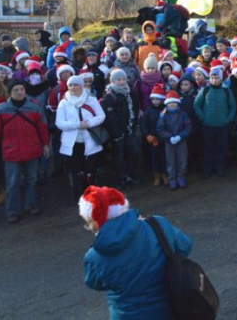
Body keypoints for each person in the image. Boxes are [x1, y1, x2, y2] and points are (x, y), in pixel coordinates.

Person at [80, 185, 194, 320]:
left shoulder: (94, 256)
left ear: (95, 223)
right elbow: (185, 246)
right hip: (169, 310)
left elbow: (94, 283)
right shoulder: (157, 225)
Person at [0, 79, 50, 224]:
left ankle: (30, 205)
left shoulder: (34, 107)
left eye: (22, 89)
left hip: (31, 149)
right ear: (10, 92)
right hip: (11, 151)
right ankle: (12, 211)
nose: (19, 92)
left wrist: (45, 144)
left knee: (31, 179)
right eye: (16, 90)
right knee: (12, 182)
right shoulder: (1, 109)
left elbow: (42, 128)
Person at [56, 75, 106, 200]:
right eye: (70, 85)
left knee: (90, 169)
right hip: (73, 143)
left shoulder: (91, 100)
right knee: (76, 170)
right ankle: (79, 195)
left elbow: (101, 116)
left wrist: (88, 123)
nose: (73, 87)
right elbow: (59, 123)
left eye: (76, 84)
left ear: (81, 85)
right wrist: (77, 125)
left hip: (90, 141)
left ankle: (91, 193)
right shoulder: (64, 102)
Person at [194, 67, 236, 178]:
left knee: (221, 148)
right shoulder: (205, 90)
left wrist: (229, 119)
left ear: (221, 78)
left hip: (222, 126)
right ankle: (207, 169)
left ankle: (219, 168)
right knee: (208, 148)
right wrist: (203, 118)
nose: (213, 80)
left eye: (216, 78)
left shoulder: (226, 91)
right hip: (208, 126)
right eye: (212, 78)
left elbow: (232, 107)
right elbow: (196, 105)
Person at [100, 69, 139, 187]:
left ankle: (128, 175)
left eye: (123, 79)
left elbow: (135, 108)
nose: (122, 82)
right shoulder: (109, 96)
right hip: (117, 133)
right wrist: (116, 133)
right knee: (119, 156)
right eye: (118, 80)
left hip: (129, 129)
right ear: (113, 81)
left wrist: (134, 123)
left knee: (134, 151)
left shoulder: (129, 92)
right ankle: (119, 178)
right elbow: (109, 118)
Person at [157, 90, 191, 189]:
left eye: (174, 102)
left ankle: (180, 176)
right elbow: (160, 129)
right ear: (167, 103)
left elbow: (188, 127)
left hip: (181, 140)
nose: (172, 104)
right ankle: (172, 178)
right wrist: (169, 137)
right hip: (169, 141)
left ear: (177, 103)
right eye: (170, 102)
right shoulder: (163, 115)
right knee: (170, 160)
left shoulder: (183, 114)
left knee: (182, 159)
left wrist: (180, 136)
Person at [140, 84, 168, 188]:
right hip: (153, 139)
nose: (155, 101)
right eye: (153, 99)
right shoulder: (148, 111)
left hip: (164, 138)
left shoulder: (165, 110)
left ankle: (164, 174)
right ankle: (156, 175)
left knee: (164, 157)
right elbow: (143, 124)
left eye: (158, 99)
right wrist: (147, 135)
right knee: (155, 158)